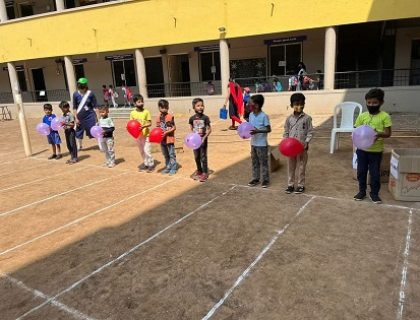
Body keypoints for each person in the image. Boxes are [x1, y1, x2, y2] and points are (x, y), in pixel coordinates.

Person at [354, 88, 392, 204]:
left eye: (375, 103)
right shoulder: (362, 116)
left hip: (376, 151)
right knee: (361, 171)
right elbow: (356, 130)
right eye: (369, 102)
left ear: (381, 102)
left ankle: (374, 193)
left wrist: (378, 133)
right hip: (362, 150)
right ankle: (362, 191)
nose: (371, 105)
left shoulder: (384, 116)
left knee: (375, 173)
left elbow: (388, 133)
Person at [284, 92, 313, 194]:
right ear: (292, 105)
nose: (299, 106)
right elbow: (286, 132)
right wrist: (286, 142)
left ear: (304, 104)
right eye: (296, 104)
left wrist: (306, 142)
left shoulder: (307, 118)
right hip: (291, 147)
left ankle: (301, 185)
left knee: (301, 167)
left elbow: (310, 132)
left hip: (302, 147)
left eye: (301, 104)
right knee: (291, 166)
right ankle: (290, 184)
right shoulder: (289, 119)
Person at [247, 94, 271, 188]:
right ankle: (255, 178)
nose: (248, 105)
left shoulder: (264, 116)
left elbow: (269, 129)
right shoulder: (251, 115)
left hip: (262, 145)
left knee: (263, 162)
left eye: (250, 104)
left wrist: (258, 131)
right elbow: (249, 127)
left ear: (256, 105)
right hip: (253, 143)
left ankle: (265, 180)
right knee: (254, 162)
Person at [130, 94, 155, 172]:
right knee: (141, 151)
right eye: (139, 102)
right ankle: (146, 163)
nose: (141, 103)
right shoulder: (132, 113)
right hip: (138, 136)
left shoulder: (146, 112)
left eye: (142, 102)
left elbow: (150, 123)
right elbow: (131, 123)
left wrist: (143, 126)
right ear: (134, 103)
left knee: (147, 150)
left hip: (146, 135)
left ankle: (151, 165)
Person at [189, 98, 211, 182]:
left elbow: (209, 130)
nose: (200, 107)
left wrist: (204, 138)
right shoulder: (192, 119)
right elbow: (191, 128)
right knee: (196, 157)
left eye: (202, 105)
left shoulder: (205, 118)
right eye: (198, 106)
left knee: (203, 157)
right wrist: (193, 137)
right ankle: (199, 170)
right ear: (194, 107)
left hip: (203, 141)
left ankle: (205, 172)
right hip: (195, 142)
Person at [72, 77, 98, 151]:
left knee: (94, 130)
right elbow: (74, 107)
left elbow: (95, 106)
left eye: (82, 85)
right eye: (80, 85)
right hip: (79, 117)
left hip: (89, 116)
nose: (81, 86)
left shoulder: (90, 94)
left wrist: (98, 118)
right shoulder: (75, 94)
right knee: (78, 131)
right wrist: (76, 118)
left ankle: (101, 144)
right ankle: (79, 146)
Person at [156, 99, 177, 175]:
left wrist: (166, 132)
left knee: (171, 154)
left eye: (166, 107)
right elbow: (157, 129)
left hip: (169, 139)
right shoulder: (158, 118)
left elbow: (174, 127)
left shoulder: (170, 117)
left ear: (168, 108)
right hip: (162, 140)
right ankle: (168, 167)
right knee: (166, 154)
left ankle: (173, 168)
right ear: (159, 108)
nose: (164, 109)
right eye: (162, 107)